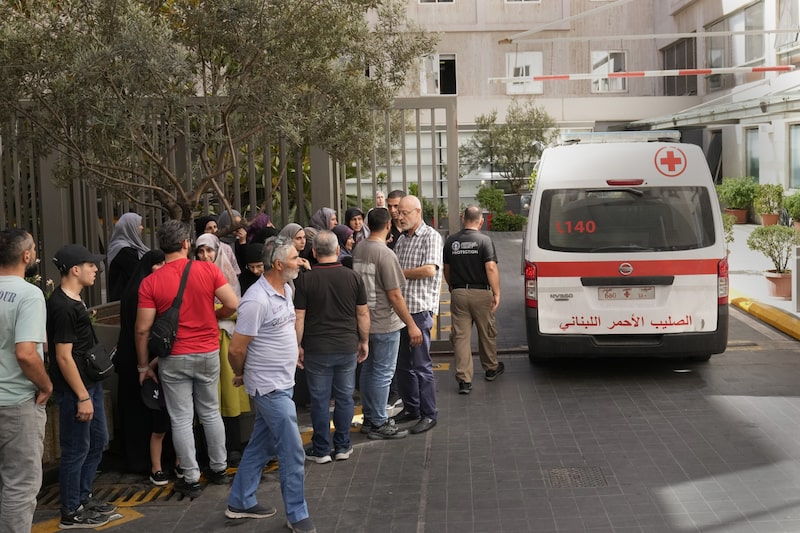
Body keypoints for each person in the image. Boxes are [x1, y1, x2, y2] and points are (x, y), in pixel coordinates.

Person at [135, 220, 239, 499]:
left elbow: (142, 329)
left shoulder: (150, 282)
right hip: (208, 351)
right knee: (211, 411)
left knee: (181, 418)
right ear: (185, 244)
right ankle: (219, 468)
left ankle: (191, 477)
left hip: (173, 356)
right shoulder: (208, 269)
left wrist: (143, 366)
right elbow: (232, 304)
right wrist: (212, 314)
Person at [224, 237, 317, 533]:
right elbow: (236, 349)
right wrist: (242, 372)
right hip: (269, 387)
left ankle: (240, 500)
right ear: (278, 264)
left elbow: (283, 329)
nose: (299, 261)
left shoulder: (286, 288)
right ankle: (297, 514)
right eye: (294, 258)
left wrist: (294, 349)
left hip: (282, 382)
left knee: (260, 445)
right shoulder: (256, 300)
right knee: (292, 451)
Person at [48, 243, 116, 528]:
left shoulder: (74, 300)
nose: (96, 269)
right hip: (77, 390)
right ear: (75, 270)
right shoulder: (63, 306)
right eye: (90, 265)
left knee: (98, 441)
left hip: (89, 384)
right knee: (76, 448)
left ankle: (83, 496)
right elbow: (63, 356)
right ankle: (71, 510)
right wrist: (82, 396)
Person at [294, 231, 369, 463]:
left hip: (316, 348)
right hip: (346, 345)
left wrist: (297, 345)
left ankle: (321, 449)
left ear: (314, 252)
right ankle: (343, 446)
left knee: (320, 399)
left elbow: (299, 316)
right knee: (345, 397)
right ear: (338, 250)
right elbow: (362, 313)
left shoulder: (305, 280)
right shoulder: (353, 277)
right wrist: (364, 340)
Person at [351, 209, 422, 440]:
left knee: (369, 370)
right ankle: (379, 422)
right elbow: (395, 295)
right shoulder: (385, 254)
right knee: (383, 373)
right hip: (384, 323)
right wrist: (411, 324)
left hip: (365, 321)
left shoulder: (360, 248)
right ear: (389, 225)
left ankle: (370, 418)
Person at [0, 229, 52, 533]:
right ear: (26, 255)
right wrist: (46, 385)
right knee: (19, 487)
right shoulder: (29, 294)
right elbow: (26, 354)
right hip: (16, 404)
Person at [114, 250, 173, 483]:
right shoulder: (142, 292)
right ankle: (146, 461)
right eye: (157, 264)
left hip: (137, 358)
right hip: (139, 360)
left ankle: (149, 460)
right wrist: (144, 365)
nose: (162, 268)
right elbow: (141, 330)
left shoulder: (138, 288)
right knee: (146, 410)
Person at [194, 233, 249, 466]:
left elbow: (237, 307)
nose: (205, 256)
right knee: (208, 397)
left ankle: (232, 447)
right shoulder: (193, 275)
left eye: (209, 250)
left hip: (225, 339)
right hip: (203, 341)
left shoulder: (227, 275)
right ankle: (209, 452)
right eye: (200, 251)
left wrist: (211, 311)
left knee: (228, 394)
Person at [391, 195, 442, 435]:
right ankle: (411, 408)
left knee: (421, 365)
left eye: (404, 212)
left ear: (418, 212)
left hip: (419, 310)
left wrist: (400, 274)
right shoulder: (402, 239)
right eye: (398, 212)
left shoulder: (431, 237)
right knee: (402, 365)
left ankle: (429, 413)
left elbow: (430, 270)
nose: (399, 216)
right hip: (401, 310)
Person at [443, 206, 504, 395]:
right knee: (486, 331)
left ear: (463, 219)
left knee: (461, 337)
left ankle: (464, 380)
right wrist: (497, 292)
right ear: (481, 221)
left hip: (459, 292)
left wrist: (452, 286)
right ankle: (491, 368)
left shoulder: (451, 241)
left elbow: (446, 268)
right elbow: (491, 268)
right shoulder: (484, 241)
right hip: (481, 293)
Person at [106, 212, 149, 302]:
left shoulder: (120, 247)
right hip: (126, 302)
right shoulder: (124, 251)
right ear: (130, 227)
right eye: (139, 225)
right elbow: (140, 274)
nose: (142, 227)